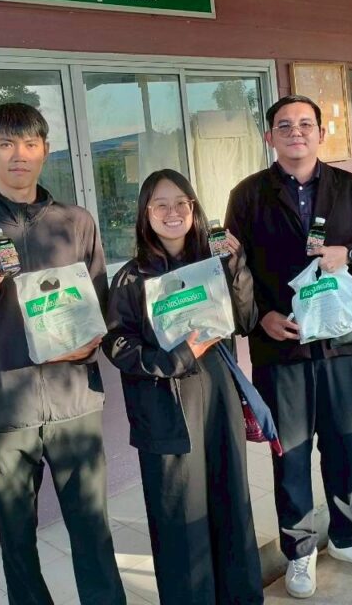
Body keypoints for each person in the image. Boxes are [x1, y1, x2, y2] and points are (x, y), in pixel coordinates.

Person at [0, 103, 125, 605]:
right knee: (17, 541)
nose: (18, 155)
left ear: (45, 150)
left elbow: (101, 306)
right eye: (6, 144)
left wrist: (92, 341)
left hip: (74, 403)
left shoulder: (76, 222)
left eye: (29, 144)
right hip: (3, 410)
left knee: (92, 530)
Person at [225, 95, 352, 599]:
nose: (295, 132)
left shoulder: (349, 188)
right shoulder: (248, 194)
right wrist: (261, 317)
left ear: (321, 133)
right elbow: (235, 268)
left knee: (345, 444)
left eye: (305, 124)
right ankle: (299, 550)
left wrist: (350, 253)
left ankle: (348, 537)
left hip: (341, 342)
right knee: (291, 454)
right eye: (284, 125)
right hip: (282, 348)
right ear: (269, 136)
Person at [104, 169, 264, 604]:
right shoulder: (131, 278)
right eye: (160, 204)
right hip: (165, 413)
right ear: (145, 214)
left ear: (194, 208)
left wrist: (236, 265)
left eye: (181, 203)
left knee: (232, 511)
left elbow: (246, 320)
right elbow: (117, 344)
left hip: (217, 402)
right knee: (179, 524)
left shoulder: (215, 262)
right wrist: (175, 357)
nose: (172, 212)